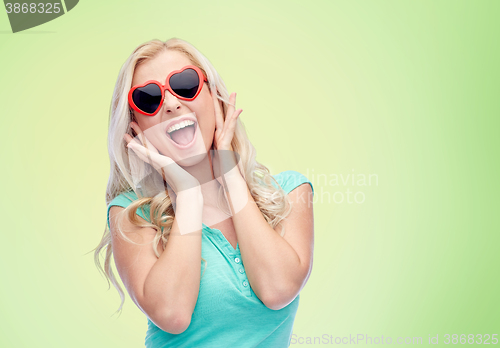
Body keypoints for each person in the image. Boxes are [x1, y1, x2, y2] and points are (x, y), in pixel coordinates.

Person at [93, 37, 315, 347]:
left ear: (216, 98)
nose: (171, 103)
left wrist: (228, 172)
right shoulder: (131, 214)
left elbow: (277, 289)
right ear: (136, 129)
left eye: (185, 84)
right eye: (148, 98)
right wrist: (188, 193)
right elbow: (172, 313)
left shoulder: (289, 193)